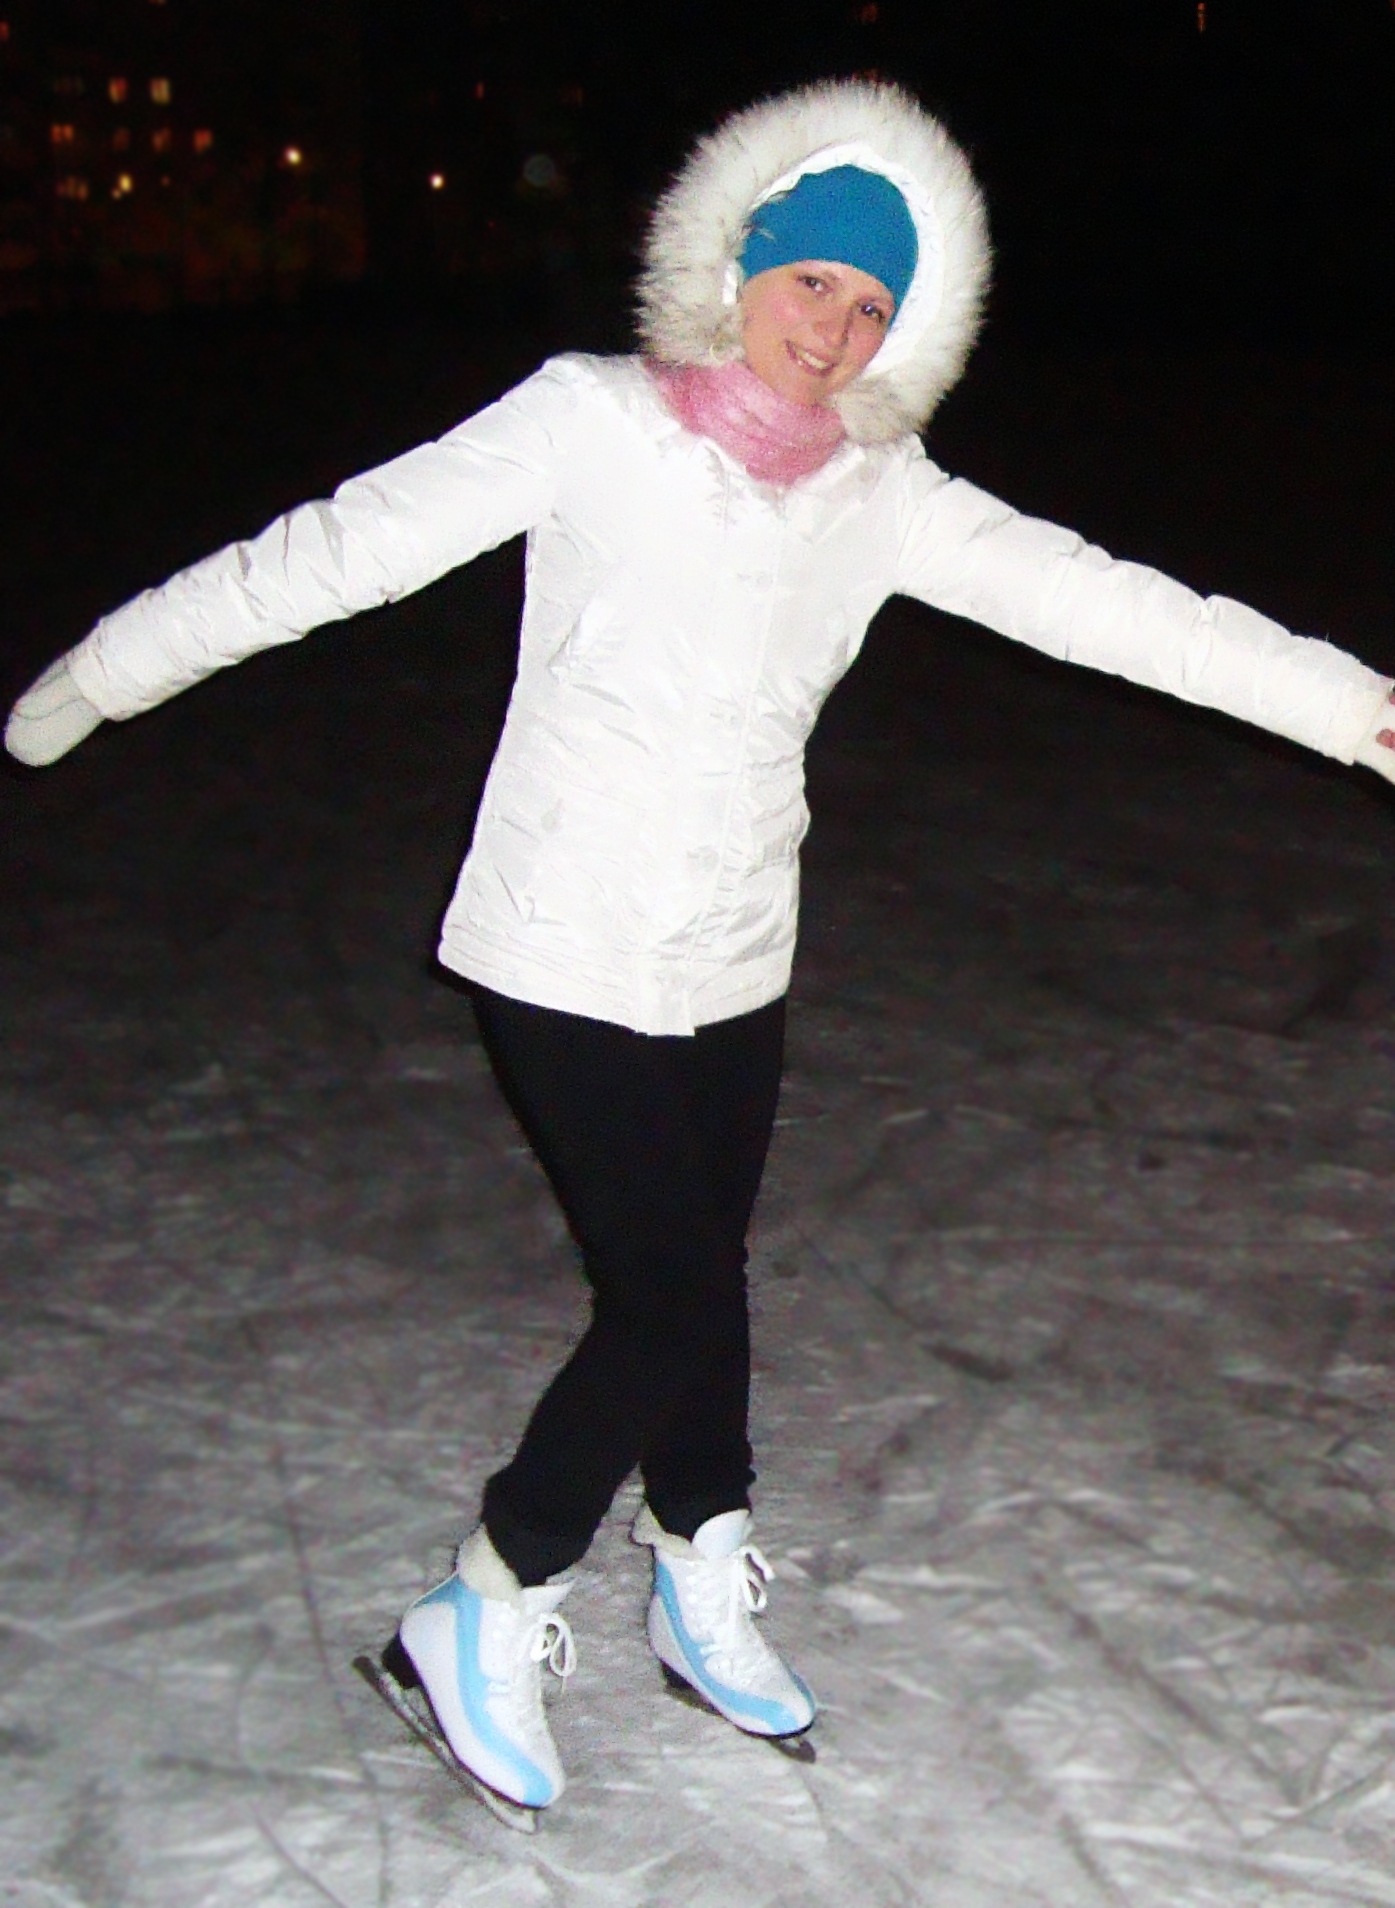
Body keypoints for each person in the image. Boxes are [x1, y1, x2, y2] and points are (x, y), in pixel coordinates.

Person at [8, 78, 1395, 1815]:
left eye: (872, 307)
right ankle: (484, 1597)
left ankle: (697, 1556)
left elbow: (1116, 603)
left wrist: (1362, 709)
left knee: (702, 1279)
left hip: (735, 949)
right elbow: (334, 553)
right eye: (811, 280)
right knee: (665, 1297)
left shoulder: (882, 493)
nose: (833, 329)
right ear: (736, 262)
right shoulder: (588, 421)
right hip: (561, 939)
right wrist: (101, 674)